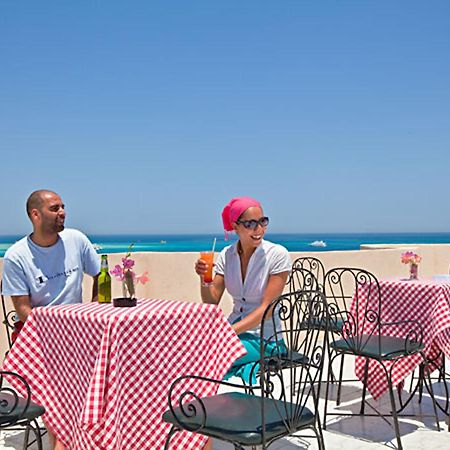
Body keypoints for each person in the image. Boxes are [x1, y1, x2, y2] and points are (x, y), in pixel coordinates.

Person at [1, 189, 101, 450]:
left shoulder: (76, 240)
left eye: (63, 207)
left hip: (83, 334)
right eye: (54, 208)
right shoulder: (17, 256)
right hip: (43, 340)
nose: (62, 212)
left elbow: (100, 276)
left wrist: (93, 311)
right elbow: (22, 309)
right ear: (35, 215)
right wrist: (59, 333)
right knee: (63, 398)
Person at [195, 196, 291, 450]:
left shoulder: (277, 255)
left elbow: (265, 311)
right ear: (235, 227)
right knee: (192, 355)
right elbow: (211, 301)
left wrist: (226, 333)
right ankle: (208, 426)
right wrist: (203, 279)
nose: (258, 229)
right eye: (249, 224)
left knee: (208, 359)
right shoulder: (227, 255)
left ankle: (218, 425)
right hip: (235, 332)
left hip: (266, 338)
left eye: (262, 221)